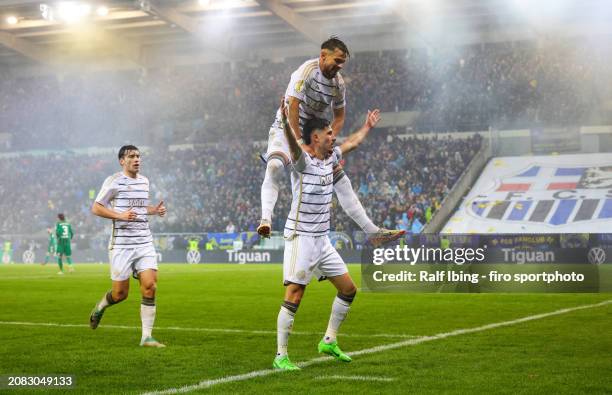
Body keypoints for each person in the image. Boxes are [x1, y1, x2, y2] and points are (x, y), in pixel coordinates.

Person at [273, 100, 395, 370]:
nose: (333, 136)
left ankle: (329, 340)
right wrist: (284, 122)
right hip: (300, 236)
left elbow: (352, 143)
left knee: (349, 289)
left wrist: (366, 127)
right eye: (328, 133)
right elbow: (293, 146)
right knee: (295, 294)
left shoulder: (331, 158)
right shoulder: (302, 161)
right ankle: (281, 356)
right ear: (315, 137)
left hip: (321, 239)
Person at [258, 36, 403, 247]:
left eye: (343, 62)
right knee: (274, 166)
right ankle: (265, 219)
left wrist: (328, 141)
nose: (340, 66)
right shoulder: (305, 72)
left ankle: (373, 232)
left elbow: (340, 117)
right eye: (337, 60)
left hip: (315, 135)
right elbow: (294, 107)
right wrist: (299, 142)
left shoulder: (338, 84)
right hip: (287, 128)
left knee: (341, 180)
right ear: (323, 55)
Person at [88, 145, 167, 348]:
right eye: (131, 156)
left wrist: (153, 211)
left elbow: (139, 208)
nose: (136, 159)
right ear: (122, 161)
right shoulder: (114, 181)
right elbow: (96, 207)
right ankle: (101, 306)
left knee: (150, 286)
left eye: (138, 156)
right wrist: (119, 215)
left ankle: (146, 337)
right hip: (121, 245)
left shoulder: (144, 181)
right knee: (120, 294)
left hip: (144, 241)